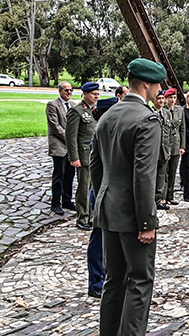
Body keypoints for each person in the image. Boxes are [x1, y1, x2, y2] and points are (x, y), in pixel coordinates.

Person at [90, 58, 166, 336]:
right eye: (157, 84)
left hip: (108, 211)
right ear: (146, 84)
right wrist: (147, 223)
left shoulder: (107, 115)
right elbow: (143, 177)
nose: (159, 90)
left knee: (114, 280)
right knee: (140, 281)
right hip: (134, 217)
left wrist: (105, 200)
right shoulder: (147, 119)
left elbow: (95, 166)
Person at [86, 96, 118, 299]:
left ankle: (104, 276)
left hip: (107, 192)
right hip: (100, 192)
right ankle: (95, 282)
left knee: (106, 239)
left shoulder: (109, 131)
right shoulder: (101, 133)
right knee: (98, 239)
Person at [67, 81, 100, 231]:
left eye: (97, 94)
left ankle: (92, 216)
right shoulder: (77, 111)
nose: (96, 97)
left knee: (93, 188)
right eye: (93, 94)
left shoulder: (96, 110)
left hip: (94, 156)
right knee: (84, 188)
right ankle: (82, 218)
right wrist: (74, 157)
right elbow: (71, 136)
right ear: (85, 94)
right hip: (84, 155)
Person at [46, 82, 76, 216]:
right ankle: (56, 203)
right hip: (59, 144)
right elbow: (55, 126)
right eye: (66, 90)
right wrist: (70, 138)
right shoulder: (52, 105)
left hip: (71, 147)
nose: (69, 93)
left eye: (71, 90)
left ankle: (67, 200)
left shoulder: (74, 105)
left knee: (70, 174)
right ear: (59, 91)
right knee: (59, 175)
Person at [163, 88, 186, 206]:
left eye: (174, 98)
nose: (172, 100)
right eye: (170, 98)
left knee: (172, 172)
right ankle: (162, 196)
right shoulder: (163, 110)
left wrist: (182, 146)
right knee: (164, 172)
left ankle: (170, 195)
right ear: (166, 99)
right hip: (165, 145)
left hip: (176, 144)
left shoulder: (179, 110)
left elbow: (182, 129)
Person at [152, 92, 171, 210]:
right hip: (153, 150)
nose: (161, 101)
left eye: (162, 98)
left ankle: (159, 199)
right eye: (158, 98)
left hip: (164, 149)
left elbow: (167, 133)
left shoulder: (166, 113)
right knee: (152, 176)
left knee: (161, 175)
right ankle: (151, 199)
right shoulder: (149, 112)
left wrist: (168, 148)